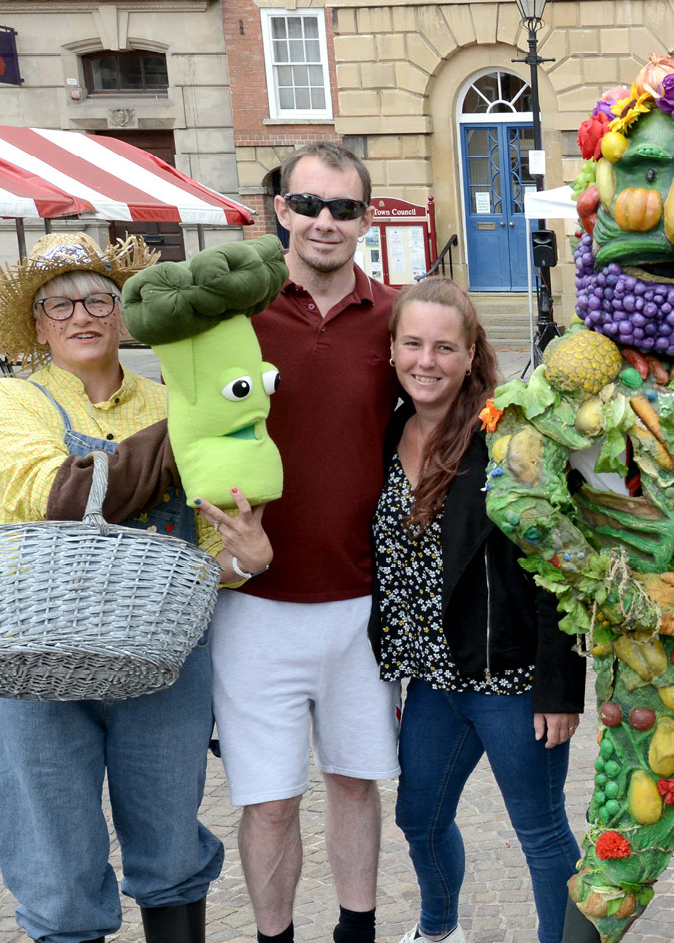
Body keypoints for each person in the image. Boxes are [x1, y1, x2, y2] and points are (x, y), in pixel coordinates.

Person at [0, 233, 275, 943]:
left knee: (170, 847)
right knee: (56, 867)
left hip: (162, 659)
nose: (83, 315)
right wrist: (207, 421)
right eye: (61, 303)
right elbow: (56, 495)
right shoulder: (8, 399)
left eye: (100, 298)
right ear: (36, 323)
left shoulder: (167, 398)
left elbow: (205, 557)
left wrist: (249, 560)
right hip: (37, 661)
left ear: (123, 312)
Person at [219, 141, 405, 943]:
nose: (326, 221)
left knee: (358, 783)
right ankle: (275, 938)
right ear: (281, 211)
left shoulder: (397, 318)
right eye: (311, 204)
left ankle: (356, 933)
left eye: (345, 207)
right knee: (267, 797)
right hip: (252, 602)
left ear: (366, 219)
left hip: (362, 602)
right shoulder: (231, 317)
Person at [369, 278, 584, 943]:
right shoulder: (391, 429)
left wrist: (560, 686)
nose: (424, 361)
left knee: (541, 832)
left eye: (443, 347)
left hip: (511, 683)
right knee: (420, 819)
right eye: (412, 344)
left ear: (470, 355)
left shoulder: (505, 437)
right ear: (392, 350)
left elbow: (561, 565)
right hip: (435, 680)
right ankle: (439, 930)